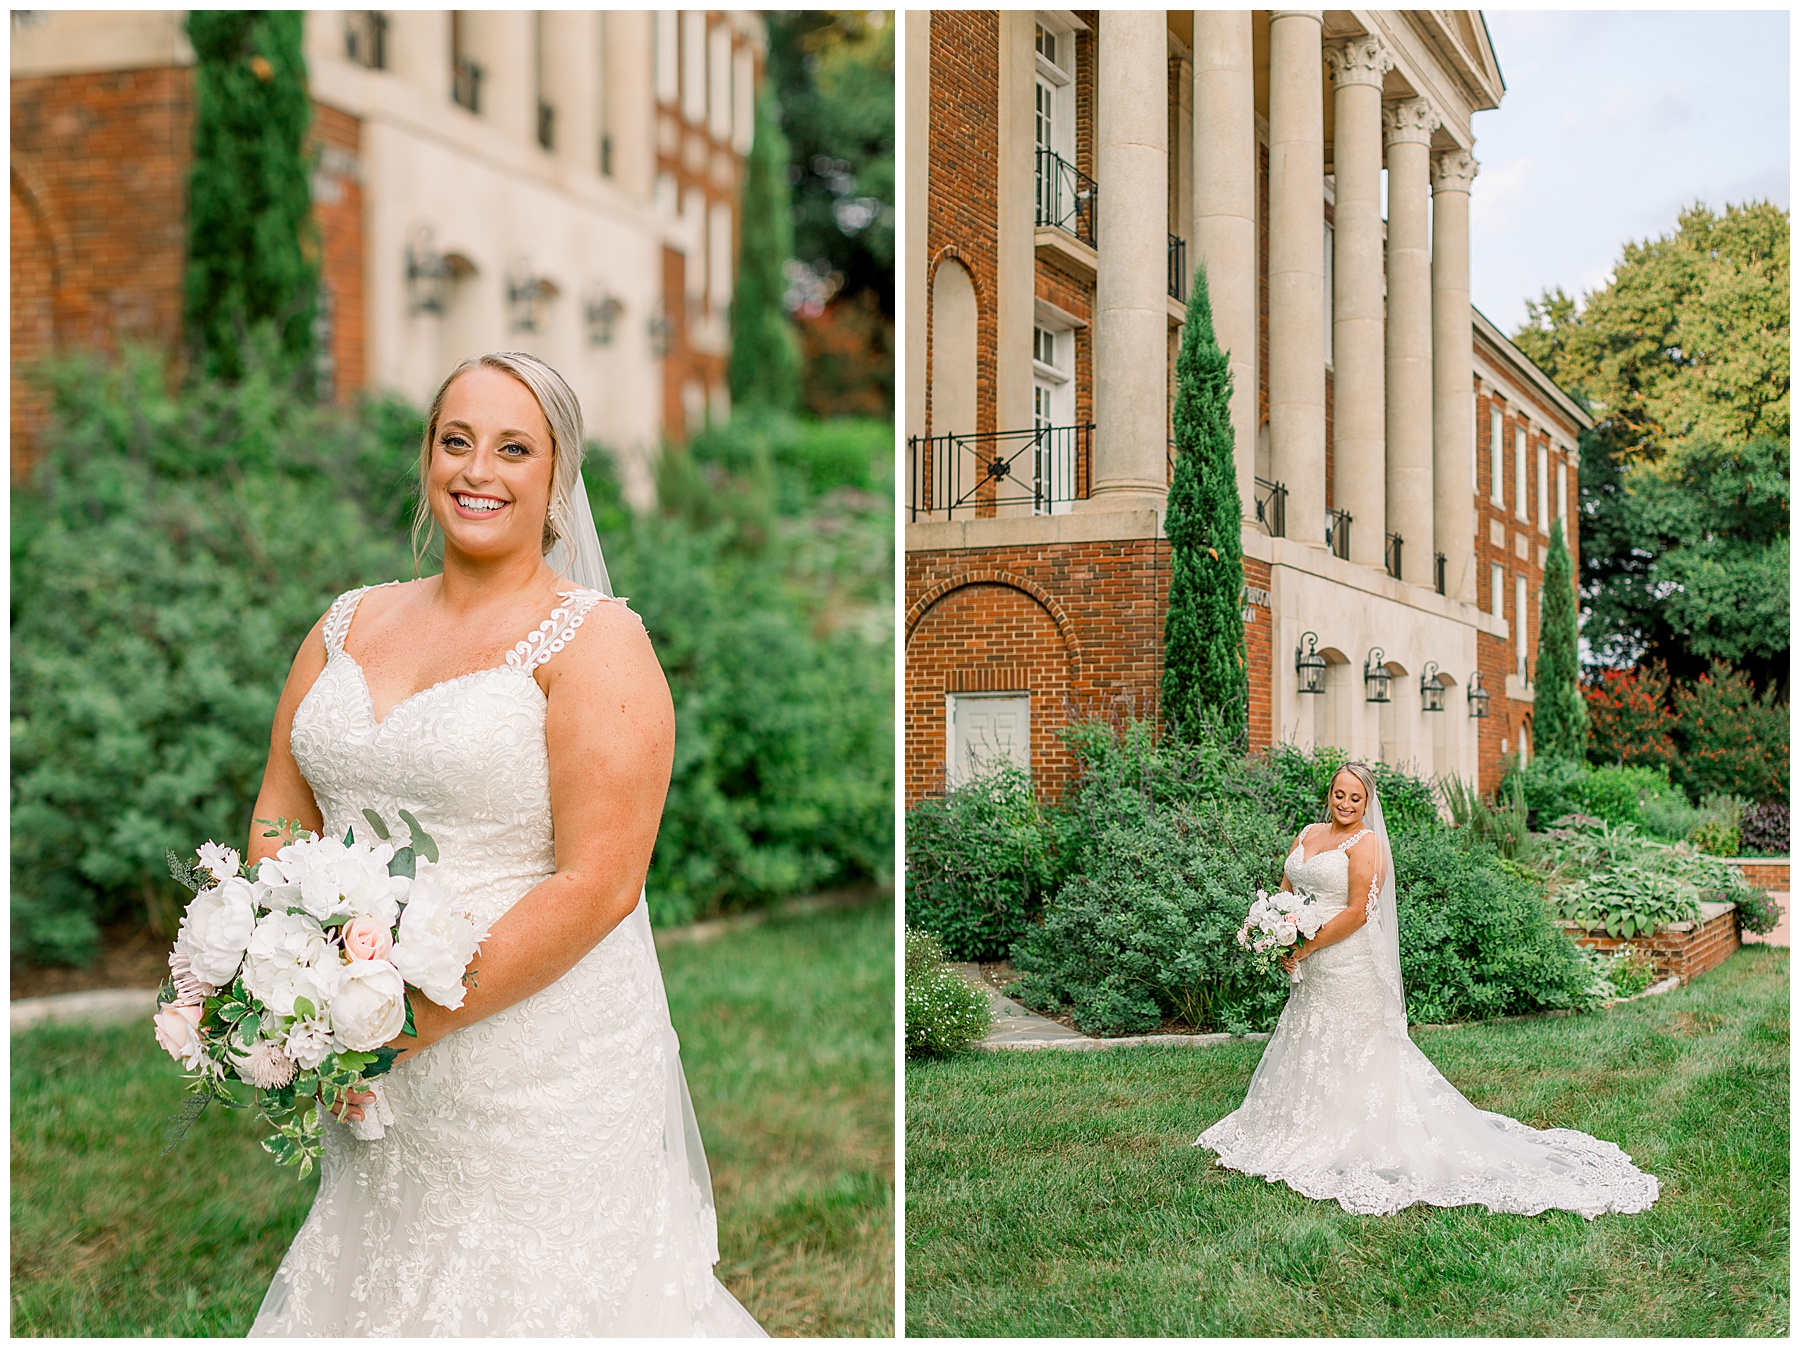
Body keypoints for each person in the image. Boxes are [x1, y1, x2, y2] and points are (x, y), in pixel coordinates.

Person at [246, 352, 765, 1335]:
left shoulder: (596, 642)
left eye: (513, 448)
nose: (478, 469)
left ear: (557, 476)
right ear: (428, 459)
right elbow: (280, 813)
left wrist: (392, 1028)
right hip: (359, 1049)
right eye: (456, 440)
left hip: (529, 1061)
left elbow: (600, 884)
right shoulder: (343, 624)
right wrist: (293, 977)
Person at [1196, 761, 1659, 1219]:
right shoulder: (1307, 833)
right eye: (1340, 794)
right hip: (1310, 962)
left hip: (1344, 959)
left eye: (1356, 798)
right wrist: (1278, 930)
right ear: (1330, 793)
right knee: (1310, 1034)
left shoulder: (1368, 844)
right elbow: (1287, 890)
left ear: (1368, 801)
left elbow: (1358, 911)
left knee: (1354, 1044)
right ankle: (1299, 1121)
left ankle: (1353, 1131)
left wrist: (1306, 945)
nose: (1346, 804)